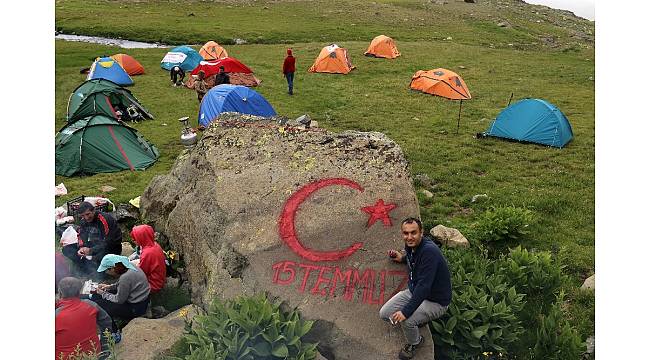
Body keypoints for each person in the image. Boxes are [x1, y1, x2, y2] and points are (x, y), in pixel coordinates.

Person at [379, 217, 452, 360]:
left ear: (421, 233)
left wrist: (406, 312)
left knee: (407, 320)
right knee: (384, 313)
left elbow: (424, 287)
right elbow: (414, 258)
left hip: (436, 301)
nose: (409, 237)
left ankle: (415, 342)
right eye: (406, 233)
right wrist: (402, 258)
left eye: (414, 233)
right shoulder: (412, 246)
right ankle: (418, 319)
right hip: (415, 292)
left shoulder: (430, 251)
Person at [89, 255, 151, 333]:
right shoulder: (129, 266)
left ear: (112, 268)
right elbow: (123, 285)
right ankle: (93, 297)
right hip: (141, 300)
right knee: (100, 298)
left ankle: (113, 332)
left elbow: (119, 300)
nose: (106, 273)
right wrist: (109, 287)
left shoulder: (125, 277)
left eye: (106, 270)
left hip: (136, 308)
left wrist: (103, 293)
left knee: (101, 306)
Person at [56, 277, 112, 360]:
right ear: (80, 291)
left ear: (60, 292)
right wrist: (105, 348)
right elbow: (107, 322)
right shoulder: (91, 305)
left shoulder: (56, 315)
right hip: (94, 354)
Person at [62, 202, 122, 276]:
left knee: (99, 258)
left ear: (93, 210)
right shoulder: (83, 221)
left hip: (111, 247)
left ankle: (94, 267)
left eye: (88, 214)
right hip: (95, 244)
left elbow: (108, 242)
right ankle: (86, 265)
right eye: (83, 216)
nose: (86, 218)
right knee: (66, 249)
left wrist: (91, 250)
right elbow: (81, 235)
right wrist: (82, 247)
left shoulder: (104, 219)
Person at [129, 224, 167, 293]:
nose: (133, 240)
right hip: (159, 278)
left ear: (141, 238)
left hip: (154, 284)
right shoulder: (154, 245)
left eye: (135, 239)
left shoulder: (147, 253)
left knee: (128, 280)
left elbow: (142, 273)